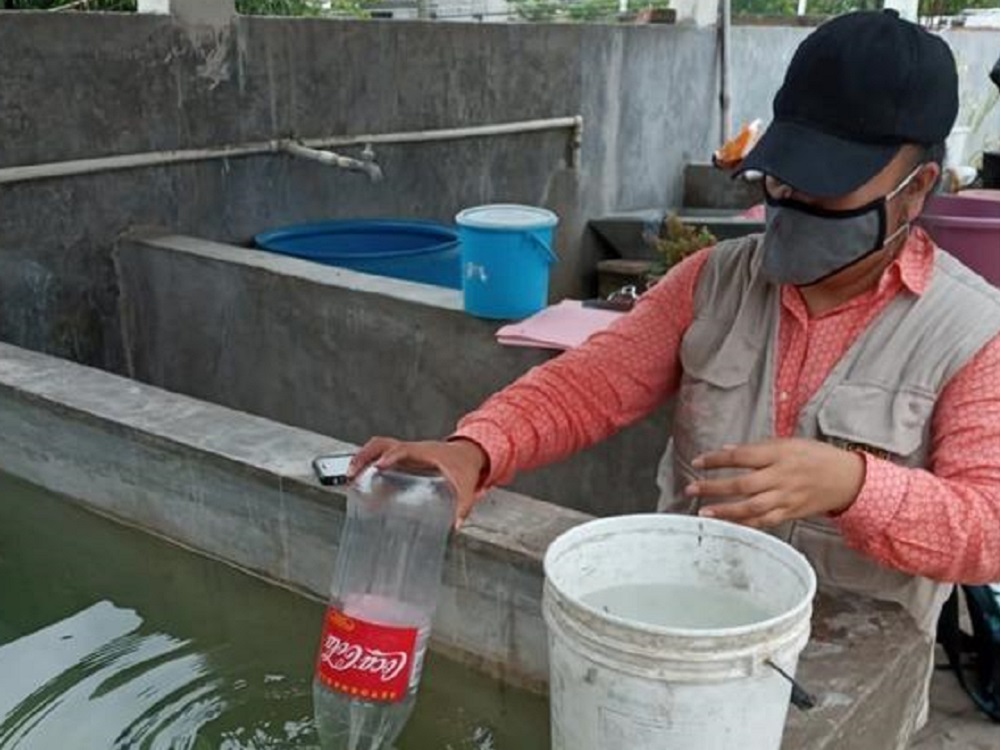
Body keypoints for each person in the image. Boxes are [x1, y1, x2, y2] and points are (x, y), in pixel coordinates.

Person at [351, 9, 999, 727]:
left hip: (843, 691)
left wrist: (853, 485)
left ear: (916, 188)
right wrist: (476, 449)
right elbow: (588, 384)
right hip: (681, 657)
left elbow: (988, 531)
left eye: (826, 190)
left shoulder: (974, 334)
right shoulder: (710, 281)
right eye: (781, 179)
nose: (788, 204)